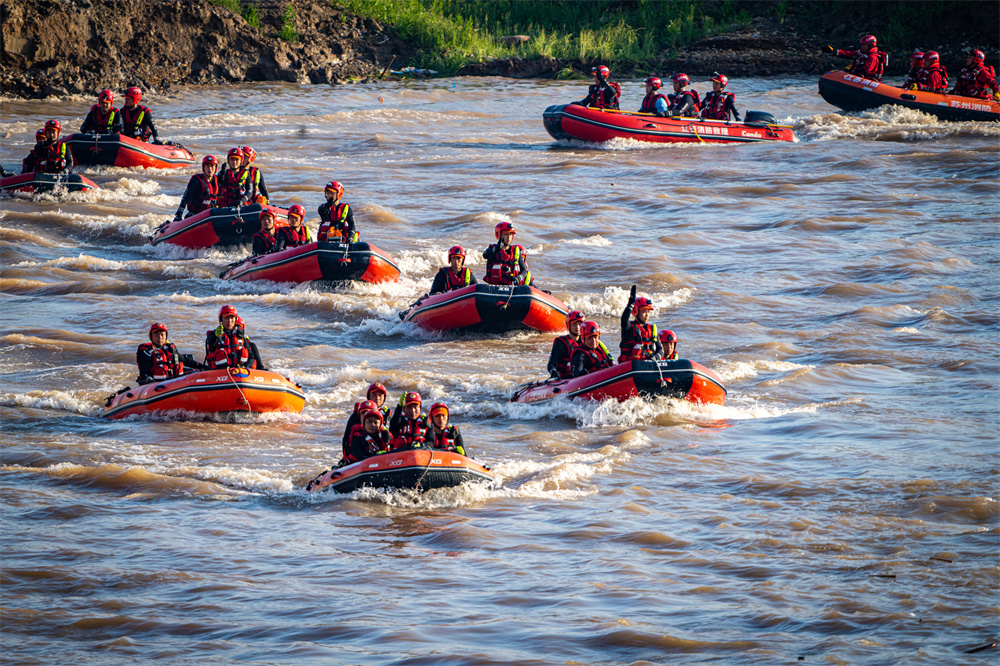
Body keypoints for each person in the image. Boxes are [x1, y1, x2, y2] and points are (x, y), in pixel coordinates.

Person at [136, 322, 202, 384]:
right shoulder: (147, 353)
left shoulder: (170, 350)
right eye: (156, 335)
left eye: (162, 335)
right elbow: (144, 374)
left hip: (176, 383)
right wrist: (149, 381)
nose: (160, 337)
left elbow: (185, 360)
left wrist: (202, 367)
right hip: (158, 387)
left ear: (166, 336)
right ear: (151, 337)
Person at [205, 304, 264, 370]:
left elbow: (251, 357)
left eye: (232, 318)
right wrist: (215, 336)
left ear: (236, 319)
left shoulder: (240, 336)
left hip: (239, 370)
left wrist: (246, 367)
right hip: (220, 371)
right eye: (226, 318)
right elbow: (211, 347)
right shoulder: (214, 335)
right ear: (221, 319)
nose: (229, 321)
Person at [619, 285, 664, 362]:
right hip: (630, 367)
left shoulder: (651, 329)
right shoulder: (629, 328)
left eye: (648, 312)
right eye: (643, 312)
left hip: (648, 365)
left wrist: (655, 357)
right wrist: (630, 304)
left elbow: (660, 349)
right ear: (636, 311)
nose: (647, 315)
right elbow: (624, 319)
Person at [483, 221, 531, 286]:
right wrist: (496, 249)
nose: (508, 237)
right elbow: (485, 255)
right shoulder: (493, 249)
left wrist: (519, 278)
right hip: (495, 288)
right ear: (499, 235)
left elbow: (524, 270)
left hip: (512, 288)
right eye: (506, 234)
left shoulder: (516, 251)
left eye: (510, 234)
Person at [173, 155, 219, 221]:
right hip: (196, 215)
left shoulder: (217, 180)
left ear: (215, 168)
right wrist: (180, 212)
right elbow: (186, 196)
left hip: (210, 215)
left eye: (212, 166)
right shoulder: (196, 180)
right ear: (203, 167)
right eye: (207, 166)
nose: (210, 169)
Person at [547, 310, 585, 379]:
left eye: (580, 324)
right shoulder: (560, 343)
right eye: (574, 324)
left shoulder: (587, 342)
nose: (577, 327)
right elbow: (551, 364)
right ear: (568, 325)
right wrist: (553, 372)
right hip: (564, 379)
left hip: (581, 377)